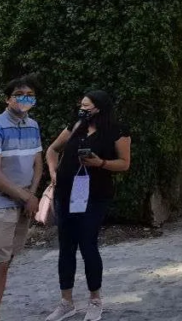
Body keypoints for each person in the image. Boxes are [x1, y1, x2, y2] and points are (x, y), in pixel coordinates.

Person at [45, 90, 131, 321]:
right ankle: (66, 302)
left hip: (94, 196)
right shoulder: (76, 126)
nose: (83, 109)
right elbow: (52, 150)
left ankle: (95, 299)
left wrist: (100, 162)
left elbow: (124, 164)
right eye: (81, 105)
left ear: (100, 108)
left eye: (87, 106)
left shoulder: (116, 131)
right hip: (65, 193)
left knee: (88, 245)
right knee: (66, 247)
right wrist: (53, 172)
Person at [0, 75, 43, 321]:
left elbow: (38, 164)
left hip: (22, 204)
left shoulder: (33, 125)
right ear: (7, 99)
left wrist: (31, 196)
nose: (26, 99)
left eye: (30, 95)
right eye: (20, 94)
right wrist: (27, 197)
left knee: (4, 267)